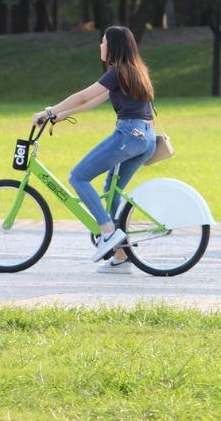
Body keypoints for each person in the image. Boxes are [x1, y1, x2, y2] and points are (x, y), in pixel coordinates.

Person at [32, 25, 157, 273]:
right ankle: (121, 256)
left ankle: (108, 232)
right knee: (112, 189)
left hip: (128, 135)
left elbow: (82, 95)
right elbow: (93, 101)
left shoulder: (116, 72)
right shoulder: (135, 71)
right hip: (146, 138)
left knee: (78, 176)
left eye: (103, 41)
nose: (100, 46)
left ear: (114, 46)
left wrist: (48, 111)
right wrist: (61, 115)